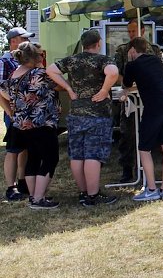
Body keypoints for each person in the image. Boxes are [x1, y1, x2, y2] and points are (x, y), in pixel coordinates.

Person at [46, 29, 119, 206]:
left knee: (77, 155)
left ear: (83, 44)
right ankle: (93, 196)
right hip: (98, 113)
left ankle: (83, 192)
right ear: (98, 43)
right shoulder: (103, 60)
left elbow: (51, 70)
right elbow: (113, 72)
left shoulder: (71, 60)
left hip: (76, 113)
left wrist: (69, 89)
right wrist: (103, 90)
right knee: (93, 154)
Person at [0, 42, 73, 210]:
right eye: (41, 55)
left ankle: (33, 196)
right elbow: (61, 86)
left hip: (21, 125)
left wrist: (11, 111)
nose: (43, 57)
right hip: (42, 123)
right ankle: (39, 198)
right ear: (35, 57)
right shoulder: (40, 73)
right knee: (50, 158)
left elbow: (2, 90)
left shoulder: (14, 74)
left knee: (33, 159)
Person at [122, 37, 163, 201]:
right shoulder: (156, 60)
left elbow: (126, 83)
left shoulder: (132, 65)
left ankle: (152, 188)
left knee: (144, 149)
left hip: (153, 108)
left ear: (132, 50)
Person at [114, 20, 163, 184]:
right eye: (129, 31)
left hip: (149, 99)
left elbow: (160, 71)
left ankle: (146, 169)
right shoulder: (122, 50)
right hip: (130, 98)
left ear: (143, 30)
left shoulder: (154, 50)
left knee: (149, 133)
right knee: (127, 134)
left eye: (134, 30)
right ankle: (127, 169)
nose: (131, 34)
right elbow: (117, 73)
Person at [2, 26, 34, 201]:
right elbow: (0, 89)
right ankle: (11, 187)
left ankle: (22, 182)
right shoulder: (4, 62)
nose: (27, 42)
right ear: (13, 41)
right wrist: (10, 112)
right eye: (24, 39)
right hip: (14, 113)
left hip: (26, 112)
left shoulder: (21, 61)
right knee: (13, 150)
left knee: (24, 148)